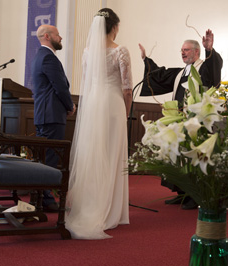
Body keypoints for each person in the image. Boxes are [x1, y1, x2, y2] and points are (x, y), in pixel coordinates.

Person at [65, 8, 132, 239]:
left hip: (92, 103)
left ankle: (89, 205)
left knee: (93, 154)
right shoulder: (120, 50)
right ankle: (112, 210)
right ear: (114, 27)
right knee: (112, 154)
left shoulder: (87, 52)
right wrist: (127, 113)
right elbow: (127, 88)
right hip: (113, 105)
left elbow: (86, 83)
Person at [138, 30, 223, 210]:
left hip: (197, 122)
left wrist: (210, 50)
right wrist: (147, 60)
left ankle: (196, 195)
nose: (183, 53)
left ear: (196, 52)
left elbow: (214, 70)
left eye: (186, 50)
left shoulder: (204, 68)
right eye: (182, 50)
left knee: (192, 157)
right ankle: (183, 193)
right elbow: (160, 75)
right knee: (178, 156)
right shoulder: (181, 72)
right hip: (179, 119)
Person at [31, 24, 76, 212]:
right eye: (58, 35)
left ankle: (39, 195)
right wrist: (70, 105)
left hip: (44, 114)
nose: (61, 38)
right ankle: (46, 199)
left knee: (44, 158)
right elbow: (60, 86)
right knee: (49, 159)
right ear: (48, 36)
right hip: (51, 115)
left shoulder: (39, 56)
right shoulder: (48, 57)